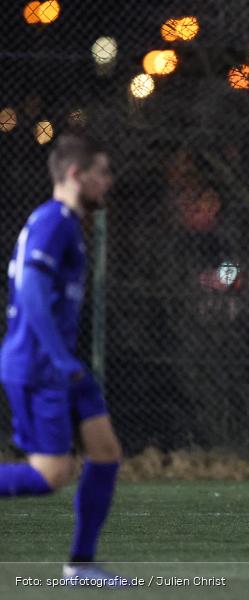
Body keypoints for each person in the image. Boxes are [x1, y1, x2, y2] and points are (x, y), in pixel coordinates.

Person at [0, 133, 126, 584]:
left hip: (59, 363)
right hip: (39, 364)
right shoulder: (54, 222)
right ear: (77, 174)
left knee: (106, 453)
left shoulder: (65, 223)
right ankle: (81, 564)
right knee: (50, 475)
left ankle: (81, 565)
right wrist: (57, 357)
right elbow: (31, 291)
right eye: (102, 172)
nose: (107, 181)